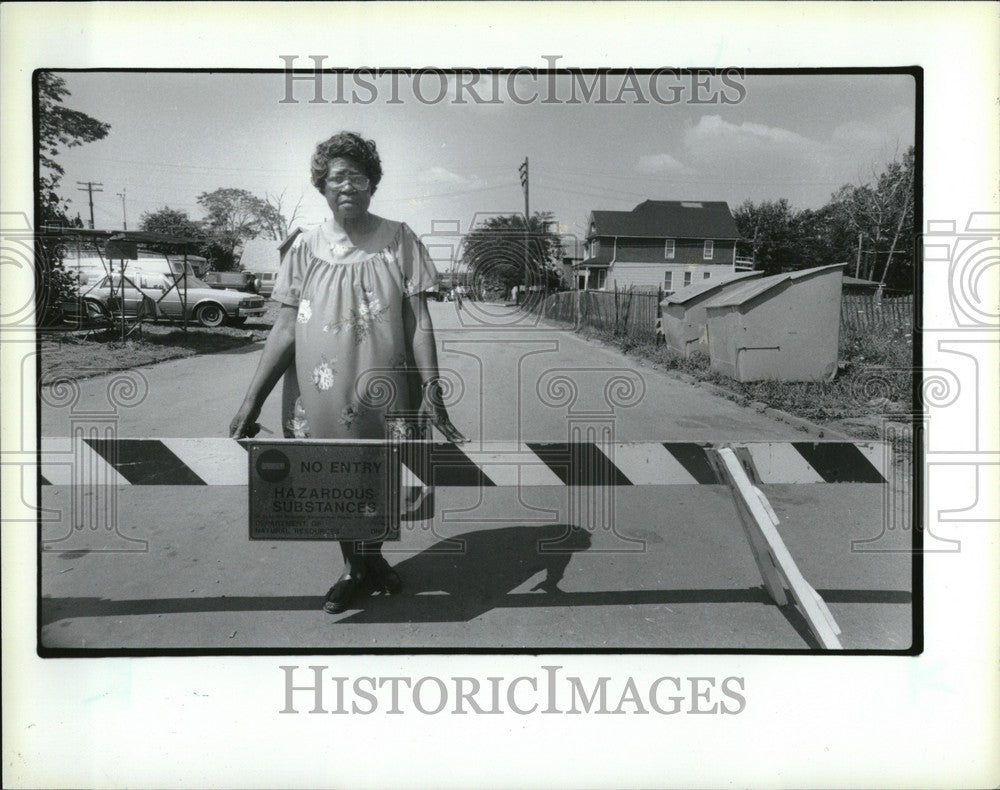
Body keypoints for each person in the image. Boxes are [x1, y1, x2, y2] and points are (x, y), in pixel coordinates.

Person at [229, 131, 466, 614]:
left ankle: (368, 559)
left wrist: (433, 389)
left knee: (380, 479)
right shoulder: (302, 247)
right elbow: (283, 328)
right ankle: (357, 567)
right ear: (323, 184)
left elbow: (419, 322)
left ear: (372, 183)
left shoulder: (401, 240)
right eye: (338, 177)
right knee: (330, 480)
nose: (348, 186)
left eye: (358, 176)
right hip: (318, 393)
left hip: (388, 388)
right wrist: (251, 398)